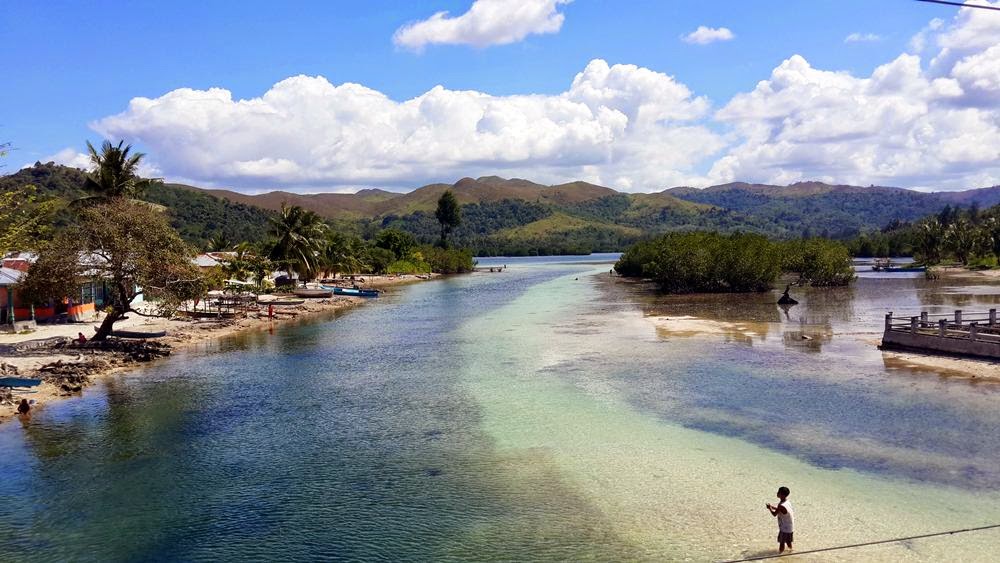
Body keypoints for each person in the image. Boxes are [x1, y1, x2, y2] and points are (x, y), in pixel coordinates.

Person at [766, 486, 794, 553]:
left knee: (782, 543)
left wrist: (769, 508)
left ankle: (780, 555)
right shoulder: (787, 502)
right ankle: (791, 551)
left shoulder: (781, 505)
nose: (777, 493)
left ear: (783, 495)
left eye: (779, 492)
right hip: (790, 527)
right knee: (788, 541)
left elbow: (774, 514)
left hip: (784, 528)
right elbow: (781, 510)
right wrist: (772, 507)